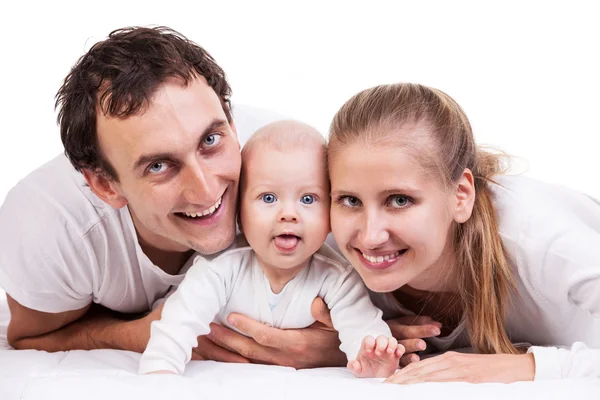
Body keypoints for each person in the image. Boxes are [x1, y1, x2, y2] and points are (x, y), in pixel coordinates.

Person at [0, 26, 350, 368]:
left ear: (231, 123)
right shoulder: (49, 229)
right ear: (106, 186)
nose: (206, 190)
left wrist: (340, 347)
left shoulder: (290, 166)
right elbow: (30, 338)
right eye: (158, 165)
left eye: (210, 141)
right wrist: (135, 335)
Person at [327, 82, 600, 382]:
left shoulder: (535, 237)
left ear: (460, 195)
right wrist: (335, 346)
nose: (370, 237)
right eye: (350, 200)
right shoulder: (326, 247)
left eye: (400, 200)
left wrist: (525, 366)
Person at [139, 121, 403, 377]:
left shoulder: (337, 276)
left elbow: (360, 325)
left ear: (331, 215)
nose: (288, 214)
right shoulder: (220, 266)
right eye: (268, 198)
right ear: (239, 213)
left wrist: (372, 354)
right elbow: (179, 322)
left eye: (308, 199)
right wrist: (160, 368)